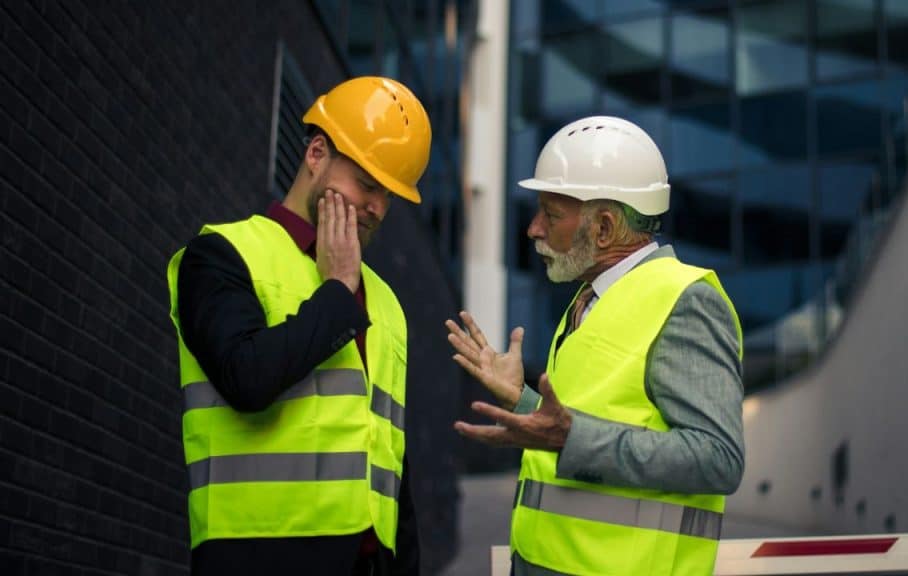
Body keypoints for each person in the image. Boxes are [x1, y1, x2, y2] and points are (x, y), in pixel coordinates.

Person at [446, 116, 744, 575]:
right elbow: (580, 420)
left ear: (603, 228)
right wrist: (521, 399)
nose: (533, 229)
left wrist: (571, 438)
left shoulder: (685, 301)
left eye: (550, 214)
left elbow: (717, 458)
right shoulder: (589, 299)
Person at [166, 76, 430, 575]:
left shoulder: (386, 302)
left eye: (389, 194)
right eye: (367, 183)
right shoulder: (222, 255)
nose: (377, 206)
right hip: (256, 557)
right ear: (316, 153)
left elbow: (391, 456)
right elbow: (246, 379)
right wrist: (337, 290)